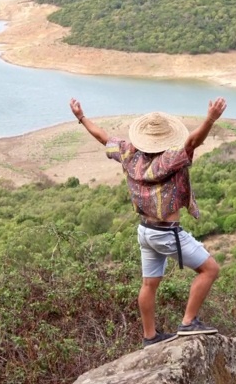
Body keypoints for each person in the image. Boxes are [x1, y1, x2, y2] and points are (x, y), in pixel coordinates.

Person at [70, 97, 227, 347]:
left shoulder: (128, 154)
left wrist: (81, 117)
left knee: (149, 284)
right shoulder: (171, 159)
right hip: (166, 233)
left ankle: (150, 337)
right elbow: (193, 141)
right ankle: (188, 322)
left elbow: (103, 137)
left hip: (145, 231)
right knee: (210, 270)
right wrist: (210, 118)